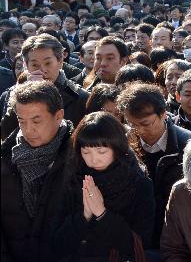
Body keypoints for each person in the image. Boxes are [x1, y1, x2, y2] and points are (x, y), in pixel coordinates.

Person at [53, 111, 155, 261]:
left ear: (117, 147)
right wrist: (84, 215)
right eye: (86, 152)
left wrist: (102, 214)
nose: (94, 160)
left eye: (101, 151)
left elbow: (139, 244)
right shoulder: (72, 177)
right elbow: (56, 243)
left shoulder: (138, 182)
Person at [0, 81, 75, 261]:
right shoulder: (6, 158)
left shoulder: (80, 158)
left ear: (58, 116)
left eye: (36, 120)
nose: (28, 130)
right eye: (21, 121)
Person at [117, 82, 191, 247]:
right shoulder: (122, 144)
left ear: (163, 114)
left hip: (178, 234)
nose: (138, 130)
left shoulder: (190, 146)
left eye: (145, 124)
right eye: (131, 124)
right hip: (135, 234)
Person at [0, 34, 89, 139]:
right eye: (35, 65)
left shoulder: (81, 97)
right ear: (26, 66)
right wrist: (22, 95)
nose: (42, 70)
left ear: (60, 61)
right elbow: (6, 133)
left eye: (48, 63)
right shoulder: (14, 93)